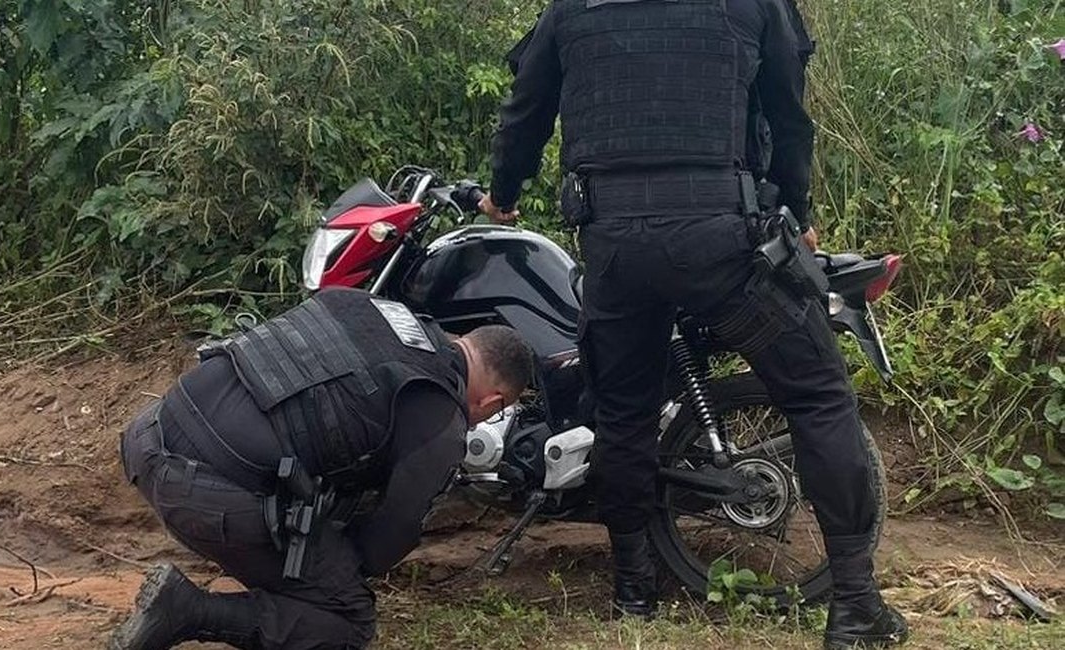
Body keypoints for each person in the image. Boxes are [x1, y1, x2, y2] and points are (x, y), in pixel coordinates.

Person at [479, 1, 908, 648]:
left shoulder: (574, 7)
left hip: (617, 248)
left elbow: (526, 111)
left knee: (622, 412)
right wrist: (796, 207)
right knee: (818, 395)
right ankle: (854, 605)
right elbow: (790, 117)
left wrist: (503, 194)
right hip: (722, 244)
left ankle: (635, 590)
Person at [109, 287, 534, 650]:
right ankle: (188, 610)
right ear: (493, 403)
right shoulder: (441, 419)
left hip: (149, 431)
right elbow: (385, 544)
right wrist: (333, 552)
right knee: (348, 619)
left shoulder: (368, 305)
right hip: (196, 490)